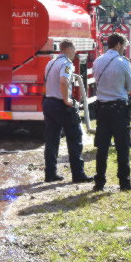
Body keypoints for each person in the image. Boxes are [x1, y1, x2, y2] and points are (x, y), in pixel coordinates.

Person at [42, 40, 94, 184]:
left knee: (52, 140)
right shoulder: (66, 63)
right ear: (69, 49)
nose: (75, 52)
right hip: (60, 105)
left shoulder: (51, 63)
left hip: (49, 103)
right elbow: (64, 82)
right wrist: (66, 100)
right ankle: (78, 175)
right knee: (75, 138)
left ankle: (50, 174)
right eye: (74, 49)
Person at [92, 32, 131, 191]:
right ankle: (124, 183)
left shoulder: (97, 61)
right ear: (118, 45)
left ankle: (99, 182)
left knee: (102, 148)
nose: (124, 49)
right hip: (119, 109)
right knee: (122, 147)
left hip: (102, 109)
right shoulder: (123, 62)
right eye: (123, 46)